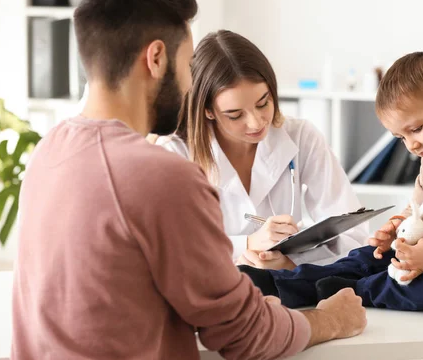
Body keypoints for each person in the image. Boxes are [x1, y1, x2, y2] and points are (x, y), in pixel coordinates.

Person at [9, 0, 367, 360]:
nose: (187, 85)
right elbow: (242, 332)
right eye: (186, 64)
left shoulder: (47, 154)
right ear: (157, 58)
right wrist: (330, 320)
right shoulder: (160, 175)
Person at [240, 51, 423, 311]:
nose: (410, 145)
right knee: (366, 256)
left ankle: (352, 291)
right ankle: (281, 283)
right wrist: (398, 228)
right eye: (401, 137)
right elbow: (420, 209)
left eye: (416, 129)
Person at [156, 30, 367, 270]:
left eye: (263, 103)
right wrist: (247, 244)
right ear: (208, 111)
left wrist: (291, 261)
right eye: (235, 115)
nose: (256, 123)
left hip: (287, 290)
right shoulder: (175, 154)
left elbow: (353, 233)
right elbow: (170, 250)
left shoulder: (301, 137)